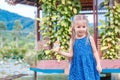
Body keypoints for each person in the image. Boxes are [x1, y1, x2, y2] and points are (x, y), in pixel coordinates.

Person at [53, 14, 102, 80]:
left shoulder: (89, 38)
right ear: (74, 27)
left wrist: (98, 64)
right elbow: (70, 55)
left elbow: (95, 52)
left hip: (88, 65)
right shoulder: (72, 40)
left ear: (86, 27)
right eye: (78, 27)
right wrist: (59, 51)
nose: (81, 29)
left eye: (83, 26)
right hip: (77, 67)